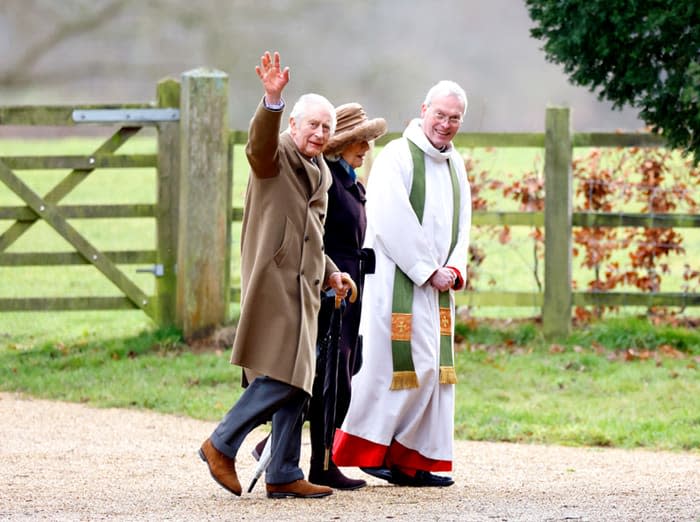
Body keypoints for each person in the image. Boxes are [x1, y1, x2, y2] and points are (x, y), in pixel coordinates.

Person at [198, 50, 354, 500]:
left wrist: (331, 272)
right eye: (313, 125)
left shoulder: (321, 170)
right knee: (283, 375)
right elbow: (256, 146)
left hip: (304, 287)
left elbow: (312, 233)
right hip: (274, 281)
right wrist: (271, 101)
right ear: (293, 126)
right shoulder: (275, 157)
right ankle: (220, 443)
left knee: (300, 378)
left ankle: (284, 471)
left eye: (327, 127)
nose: (321, 133)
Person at [331, 80, 471, 487]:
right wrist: (428, 269)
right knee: (398, 368)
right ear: (423, 109)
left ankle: (413, 460)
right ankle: (374, 450)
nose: (446, 124)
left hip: (438, 288)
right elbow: (392, 219)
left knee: (434, 371)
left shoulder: (455, 162)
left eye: (455, 118)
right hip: (397, 284)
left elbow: (463, 223)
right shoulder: (397, 155)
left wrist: (454, 268)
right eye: (440, 115)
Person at [306, 103, 387, 490]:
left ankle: (303, 452)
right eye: (361, 141)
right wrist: (329, 277)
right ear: (342, 144)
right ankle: (320, 463)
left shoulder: (349, 179)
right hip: (331, 286)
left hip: (352, 285)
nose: (367, 148)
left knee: (343, 372)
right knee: (330, 375)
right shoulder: (329, 180)